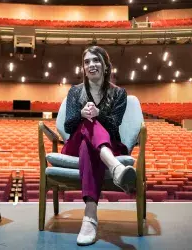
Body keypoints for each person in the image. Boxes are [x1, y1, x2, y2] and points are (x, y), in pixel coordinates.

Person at [61, 46, 136, 246]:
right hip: (76, 144)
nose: (91, 65)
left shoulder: (119, 93)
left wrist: (97, 114)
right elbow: (68, 125)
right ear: (83, 68)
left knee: (90, 143)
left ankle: (90, 216)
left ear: (105, 65)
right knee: (86, 126)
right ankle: (115, 167)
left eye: (96, 60)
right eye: (87, 62)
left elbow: (114, 125)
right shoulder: (75, 91)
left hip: (107, 143)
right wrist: (82, 115)